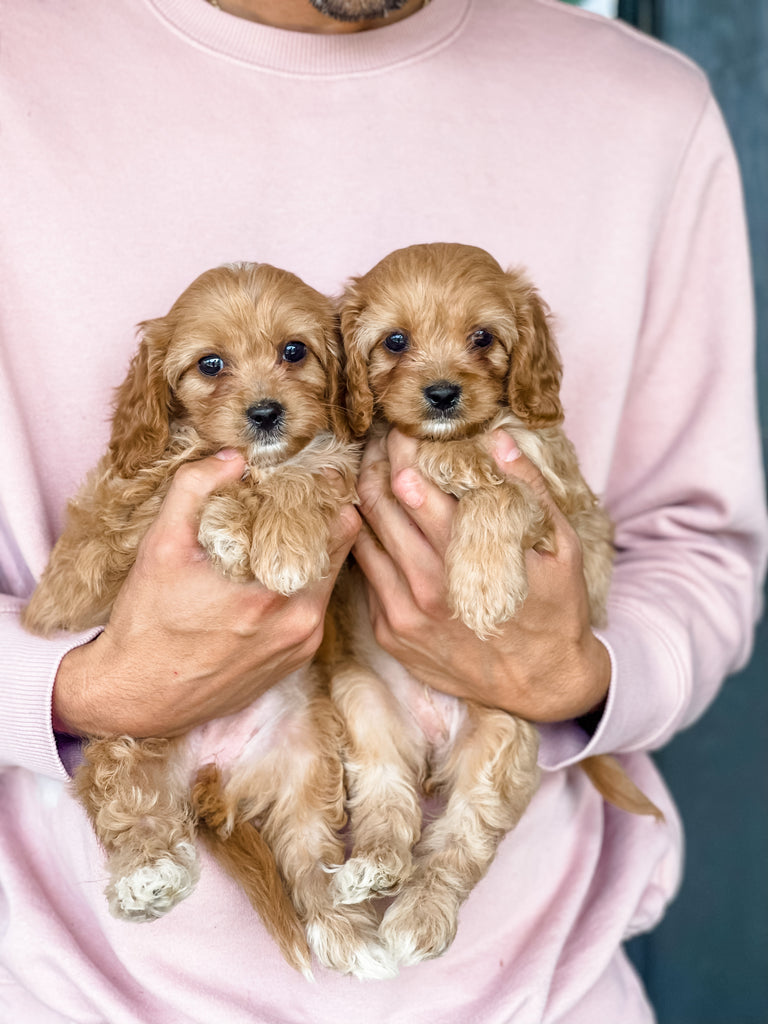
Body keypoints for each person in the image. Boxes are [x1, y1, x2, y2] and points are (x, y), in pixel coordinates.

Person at [0, 0, 765, 1020]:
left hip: (545, 992)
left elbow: (699, 544)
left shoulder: (647, 109)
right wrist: (84, 688)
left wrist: (583, 672)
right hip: (70, 992)